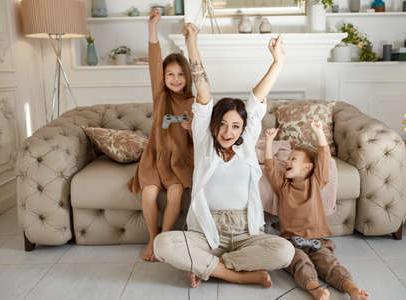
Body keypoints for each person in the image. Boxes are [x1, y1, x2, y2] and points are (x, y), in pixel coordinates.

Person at [153, 23, 294, 288]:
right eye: (222, 124)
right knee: (163, 244)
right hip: (206, 232)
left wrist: (278, 62)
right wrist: (192, 45)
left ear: (244, 129)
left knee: (285, 251)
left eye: (235, 126)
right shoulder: (205, 140)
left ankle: (210, 266)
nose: (228, 132)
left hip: (244, 233)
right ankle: (236, 275)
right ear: (212, 123)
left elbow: (258, 97)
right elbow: (202, 87)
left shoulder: (247, 143)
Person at [263, 123, 370, 300]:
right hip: (291, 242)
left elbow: (324, 158)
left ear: (308, 167)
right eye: (288, 159)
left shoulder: (315, 183)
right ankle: (315, 290)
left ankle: (353, 290)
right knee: (301, 264)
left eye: (293, 159)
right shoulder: (282, 186)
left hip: (317, 241)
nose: (287, 162)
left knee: (330, 264)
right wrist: (268, 140)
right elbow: (270, 165)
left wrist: (319, 133)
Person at [127, 9, 194, 262]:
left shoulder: (193, 102)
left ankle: (164, 239)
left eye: (180, 74)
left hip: (179, 161)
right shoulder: (160, 97)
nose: (175, 79)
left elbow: (201, 136)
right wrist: (152, 27)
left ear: (186, 77)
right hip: (155, 158)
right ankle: (152, 238)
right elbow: (155, 60)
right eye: (170, 75)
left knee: (176, 193)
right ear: (163, 78)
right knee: (149, 193)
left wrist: (191, 129)